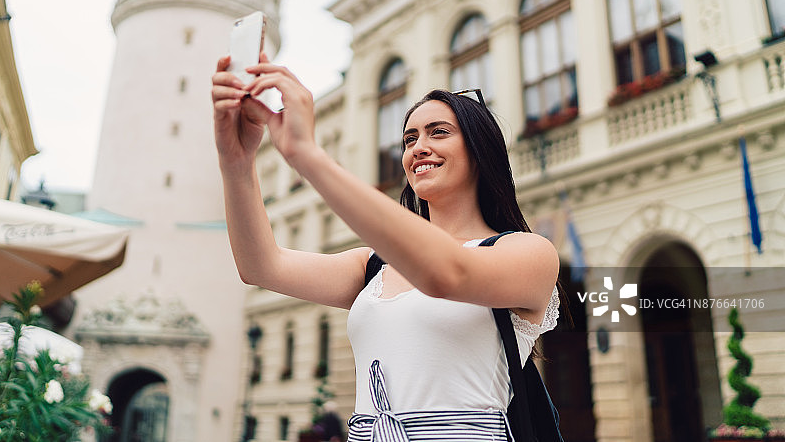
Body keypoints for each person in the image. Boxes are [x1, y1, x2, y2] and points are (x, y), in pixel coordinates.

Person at [211, 54, 561, 441]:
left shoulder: (529, 252)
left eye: (439, 132)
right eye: (410, 139)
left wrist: (306, 154)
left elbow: (445, 274)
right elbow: (262, 267)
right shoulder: (373, 266)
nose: (419, 147)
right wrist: (236, 161)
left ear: (481, 150)